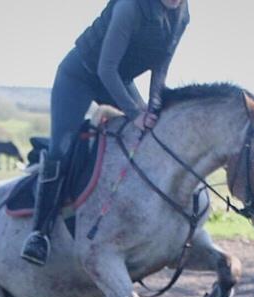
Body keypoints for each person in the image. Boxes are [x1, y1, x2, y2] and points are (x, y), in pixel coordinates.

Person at [21, 0, 190, 266]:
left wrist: (153, 111)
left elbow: (161, 71)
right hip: (80, 77)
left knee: (149, 138)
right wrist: (136, 115)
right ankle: (38, 234)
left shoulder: (182, 15)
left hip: (118, 81)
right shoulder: (130, 7)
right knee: (60, 151)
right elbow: (105, 68)